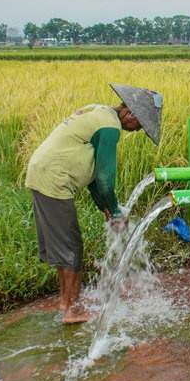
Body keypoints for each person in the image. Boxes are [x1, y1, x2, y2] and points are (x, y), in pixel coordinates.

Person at [25, 83, 163, 323]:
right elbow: (105, 179)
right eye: (139, 124)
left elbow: (91, 177)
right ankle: (72, 310)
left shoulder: (100, 112)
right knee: (71, 247)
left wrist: (107, 209)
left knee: (66, 244)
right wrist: (117, 215)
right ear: (130, 112)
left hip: (44, 172)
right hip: (53, 180)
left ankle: (65, 302)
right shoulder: (110, 127)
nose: (137, 130)